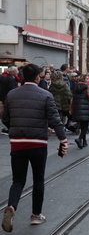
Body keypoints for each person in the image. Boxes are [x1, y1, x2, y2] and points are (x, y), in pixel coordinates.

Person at [1, 64, 68, 232]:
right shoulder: (45, 95)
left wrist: (14, 128)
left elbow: (5, 118)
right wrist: (63, 138)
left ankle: (11, 206)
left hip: (18, 143)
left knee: (18, 180)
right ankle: (36, 215)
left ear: (22, 77)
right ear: (38, 77)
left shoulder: (12, 94)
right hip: (38, 143)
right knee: (38, 180)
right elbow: (54, 119)